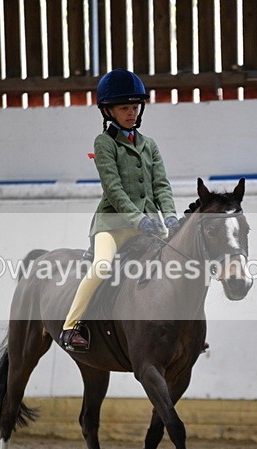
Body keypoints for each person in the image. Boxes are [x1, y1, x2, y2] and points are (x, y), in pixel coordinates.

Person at [61, 68, 181, 352]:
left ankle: (185, 330)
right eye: (124, 108)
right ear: (109, 111)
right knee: (102, 267)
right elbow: (114, 191)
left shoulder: (149, 145)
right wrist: (140, 221)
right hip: (113, 226)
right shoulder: (104, 144)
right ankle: (71, 326)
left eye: (134, 107)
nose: (131, 113)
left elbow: (161, 186)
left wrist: (171, 217)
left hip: (150, 224)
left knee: (180, 266)